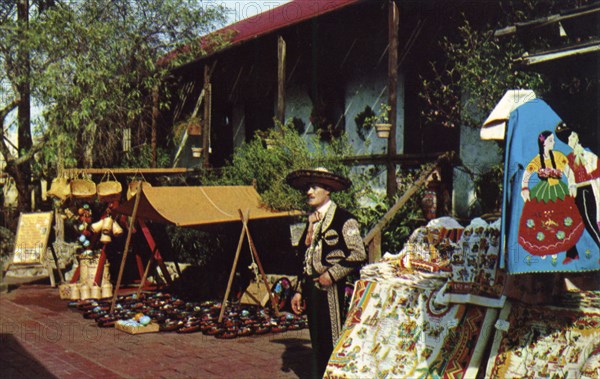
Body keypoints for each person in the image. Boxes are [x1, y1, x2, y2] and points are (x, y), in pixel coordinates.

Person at [286, 167, 367, 378]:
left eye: (314, 187)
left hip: (331, 288)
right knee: (316, 338)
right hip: (311, 288)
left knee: (332, 338)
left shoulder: (344, 219)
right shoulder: (311, 221)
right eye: (307, 188)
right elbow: (303, 258)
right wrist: (298, 291)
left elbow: (358, 253)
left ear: (328, 190)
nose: (309, 192)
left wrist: (330, 275)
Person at [518, 130, 584, 263]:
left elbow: (569, 172)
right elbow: (527, 173)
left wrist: (572, 185)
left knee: (564, 217)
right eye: (550, 140)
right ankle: (544, 248)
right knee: (541, 219)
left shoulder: (559, 156)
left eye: (553, 140)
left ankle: (570, 250)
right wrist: (524, 188)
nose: (553, 142)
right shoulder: (537, 160)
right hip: (542, 193)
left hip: (559, 191)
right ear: (543, 144)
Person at [555, 123, 600, 262]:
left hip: (590, 188)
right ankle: (574, 252)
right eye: (568, 139)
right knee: (583, 220)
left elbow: (596, 171)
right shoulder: (569, 159)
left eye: (572, 137)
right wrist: (572, 187)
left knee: (590, 219)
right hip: (579, 190)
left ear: (577, 137)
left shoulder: (589, 155)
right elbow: (570, 178)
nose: (570, 141)